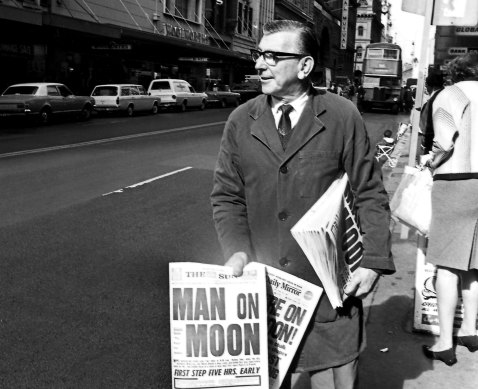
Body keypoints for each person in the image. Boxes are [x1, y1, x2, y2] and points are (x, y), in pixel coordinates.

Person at [211, 20, 395, 389]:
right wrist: (237, 252)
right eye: (258, 55)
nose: (260, 64)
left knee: (339, 374)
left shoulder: (342, 115)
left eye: (273, 56)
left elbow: (369, 192)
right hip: (267, 285)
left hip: (331, 287)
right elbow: (227, 196)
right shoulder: (240, 120)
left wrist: (373, 261)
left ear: (305, 65)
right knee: (277, 376)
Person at [422, 52, 478, 366]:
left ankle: (445, 342)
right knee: (474, 262)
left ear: (455, 73)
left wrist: (430, 162)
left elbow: (444, 142)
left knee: (446, 265)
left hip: (456, 182)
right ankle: (470, 328)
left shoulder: (452, 94)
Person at [419, 71, 444, 155]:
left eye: (426, 85)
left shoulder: (433, 101)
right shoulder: (447, 94)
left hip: (434, 145)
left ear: (431, 86)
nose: (425, 88)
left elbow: (425, 126)